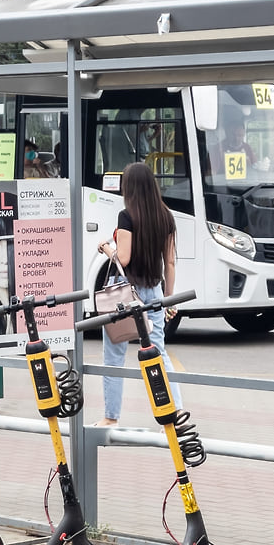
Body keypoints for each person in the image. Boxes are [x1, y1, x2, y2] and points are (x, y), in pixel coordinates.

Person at [94, 162, 182, 427]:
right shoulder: (165, 216)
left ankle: (111, 417)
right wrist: (168, 298)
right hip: (154, 290)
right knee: (158, 352)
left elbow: (124, 257)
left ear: (129, 187)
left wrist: (106, 248)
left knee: (114, 355)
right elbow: (170, 263)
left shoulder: (126, 215)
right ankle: (175, 411)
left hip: (124, 292)